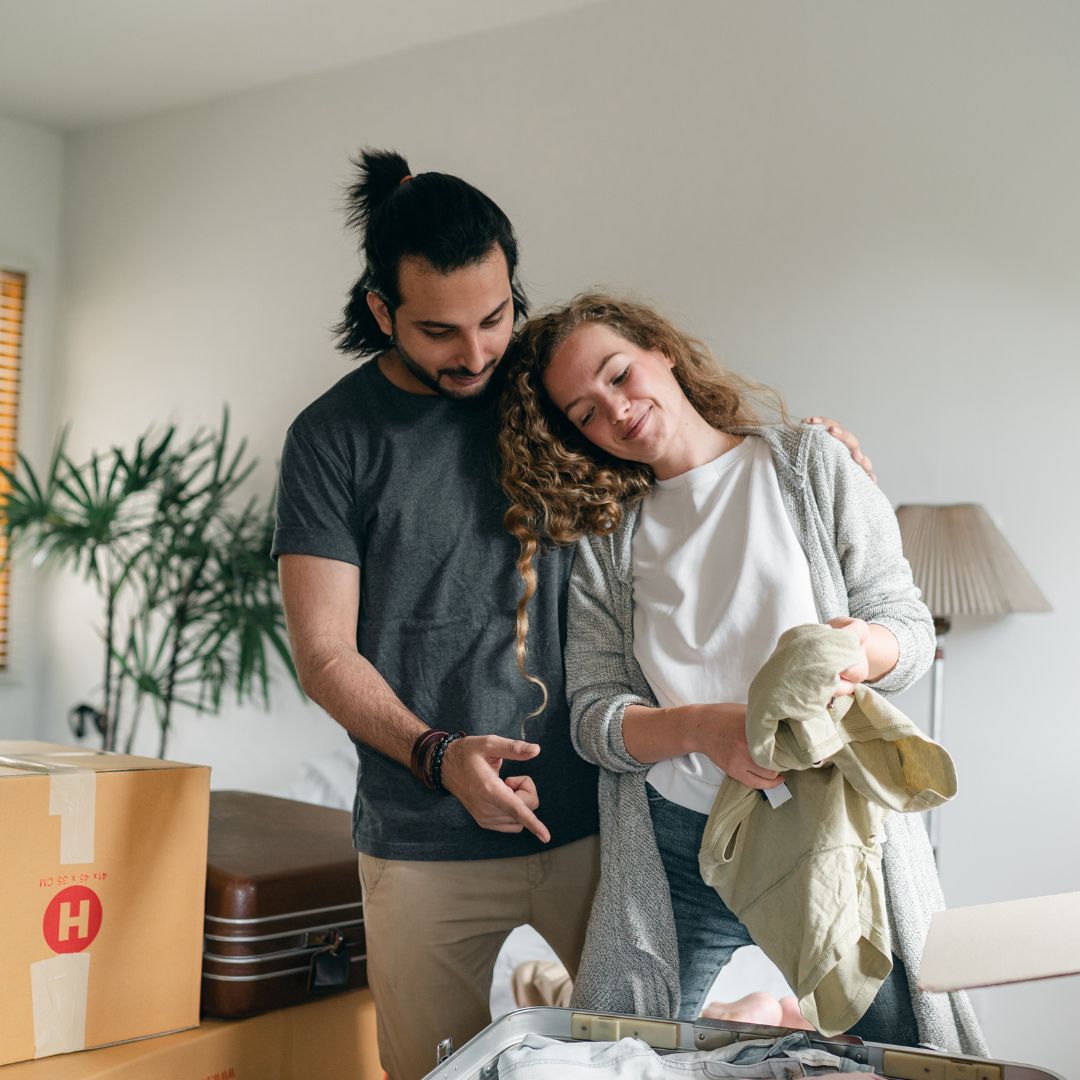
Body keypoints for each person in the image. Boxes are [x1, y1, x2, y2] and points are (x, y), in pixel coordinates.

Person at [274, 150, 875, 1078]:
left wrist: (805, 452)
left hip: (603, 821)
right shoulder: (330, 438)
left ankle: (753, 1010)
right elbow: (323, 653)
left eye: (494, 316)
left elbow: (680, 441)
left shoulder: (551, 394)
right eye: (439, 331)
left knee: (630, 1060)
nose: (475, 354)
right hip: (422, 837)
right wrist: (439, 754)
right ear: (381, 312)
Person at [495, 293, 986, 1055]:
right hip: (678, 848)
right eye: (585, 413)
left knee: (907, 1056)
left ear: (661, 350)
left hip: (832, 828)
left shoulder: (810, 466)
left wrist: (861, 650)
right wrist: (705, 730)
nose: (616, 411)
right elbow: (594, 718)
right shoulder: (607, 540)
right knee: (614, 1058)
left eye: (620, 375)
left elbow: (908, 629)